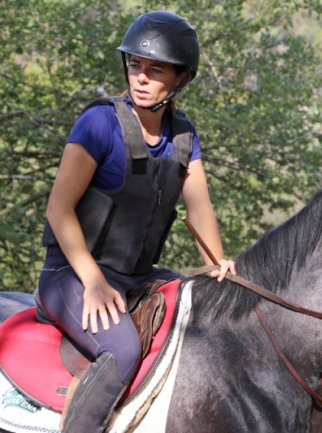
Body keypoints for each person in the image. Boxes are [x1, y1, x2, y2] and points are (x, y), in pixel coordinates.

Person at [35, 10, 235, 433]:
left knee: (202, 307)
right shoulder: (99, 123)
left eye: (154, 69)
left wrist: (218, 263)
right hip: (70, 275)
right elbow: (59, 209)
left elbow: (198, 206)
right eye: (134, 65)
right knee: (123, 351)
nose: (140, 78)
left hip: (137, 275)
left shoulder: (184, 136)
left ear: (180, 78)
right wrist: (92, 280)